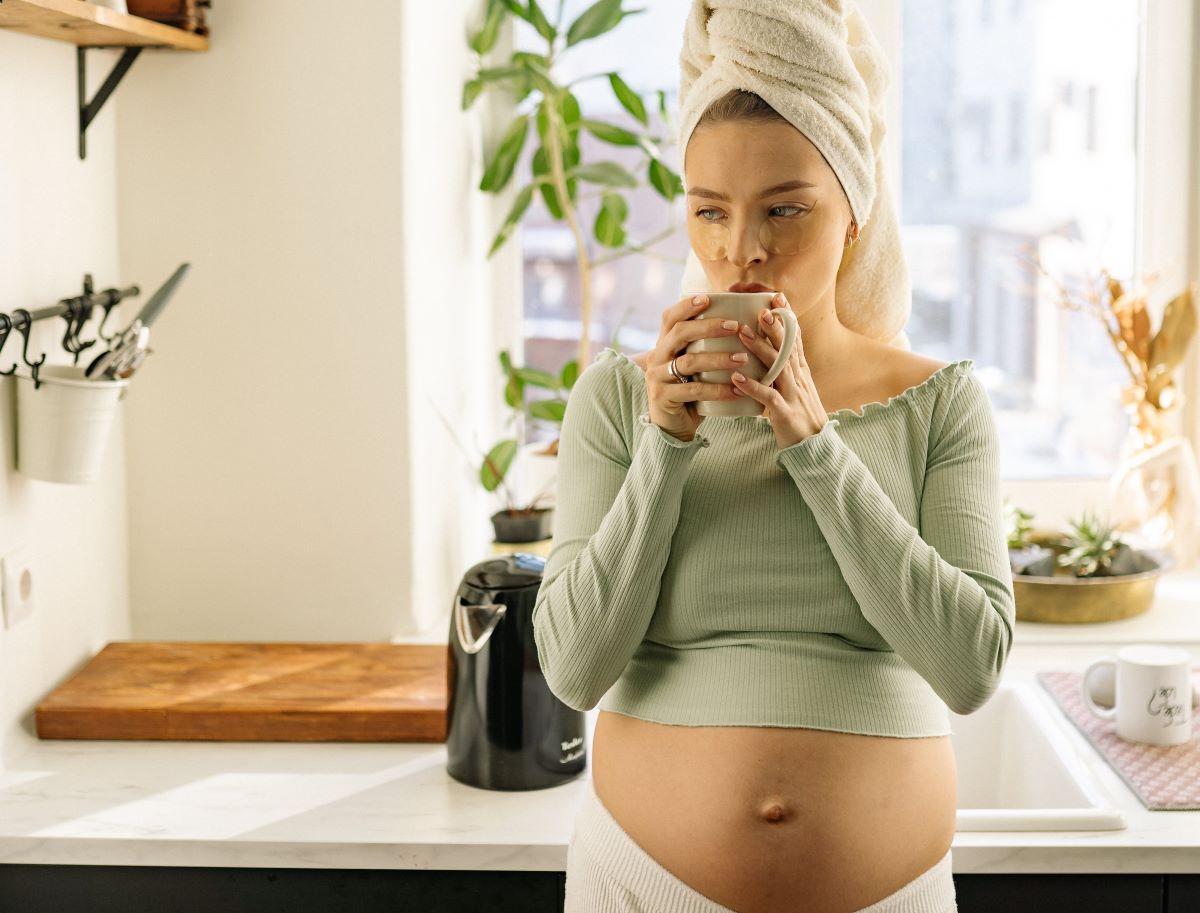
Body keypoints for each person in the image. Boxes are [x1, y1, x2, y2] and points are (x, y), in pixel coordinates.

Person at [532, 3, 1015, 912]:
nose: (739, 251)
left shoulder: (940, 402)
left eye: (784, 209)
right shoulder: (617, 400)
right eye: (709, 210)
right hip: (640, 884)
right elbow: (574, 668)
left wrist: (816, 447)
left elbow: (970, 665)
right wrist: (666, 447)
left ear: (854, 214)